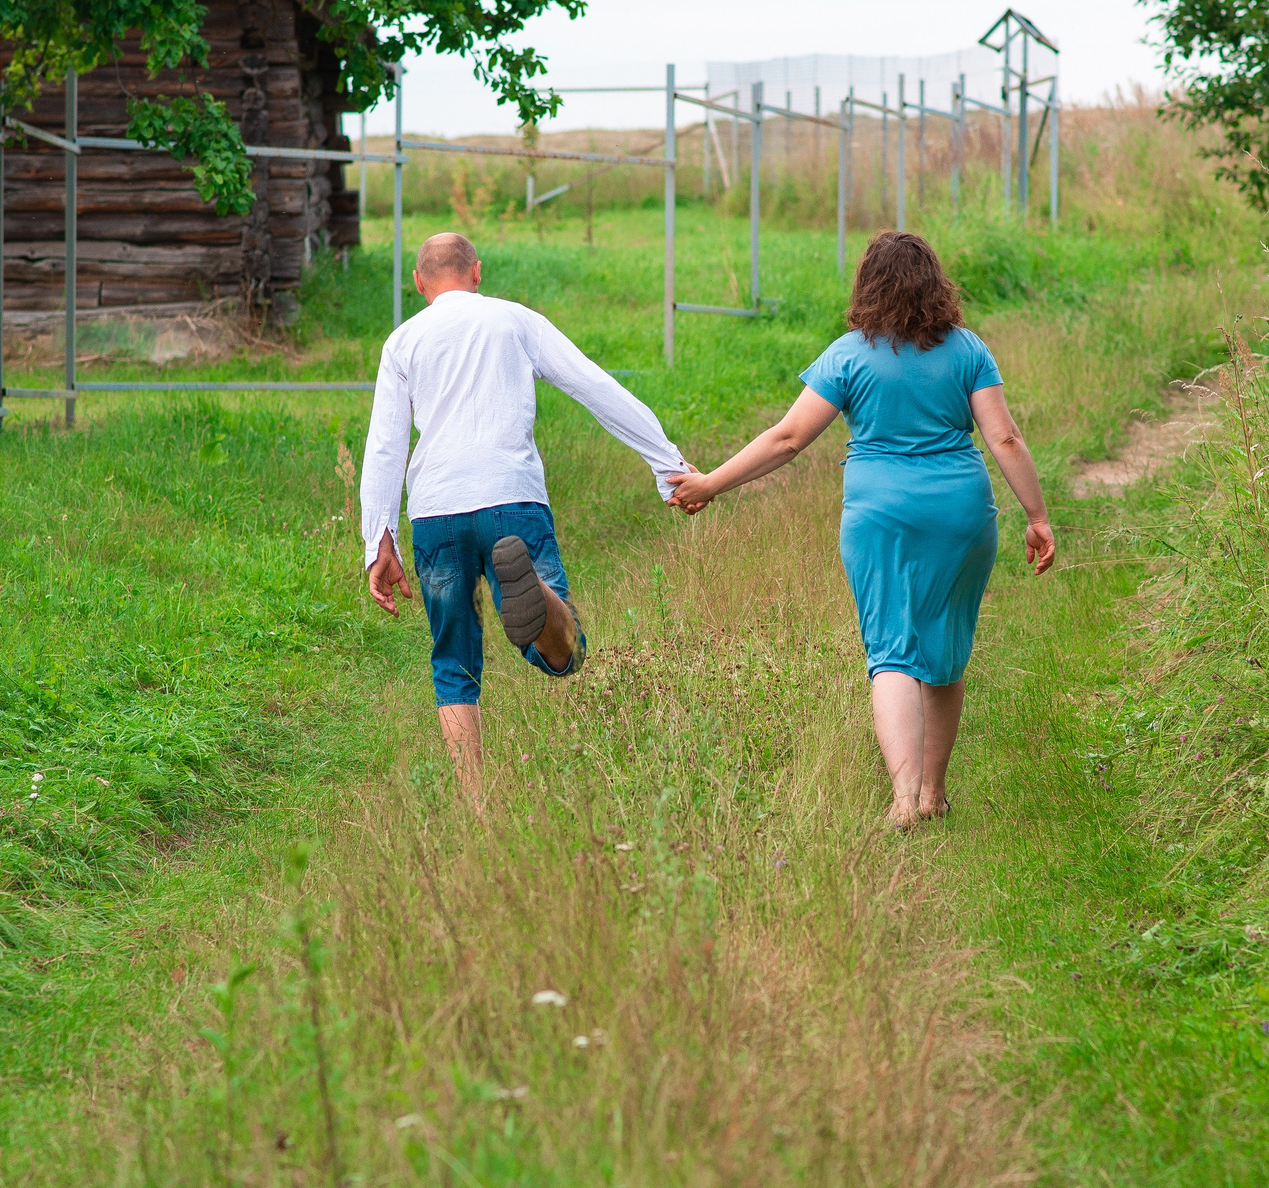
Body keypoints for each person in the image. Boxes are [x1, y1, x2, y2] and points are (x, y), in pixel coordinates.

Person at [667, 230, 1054, 829]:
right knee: (945, 653)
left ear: (867, 285)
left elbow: (789, 438)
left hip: (880, 518)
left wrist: (711, 483)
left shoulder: (848, 355)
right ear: (936, 284)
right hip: (960, 513)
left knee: (892, 653)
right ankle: (932, 793)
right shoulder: (968, 349)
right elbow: (1003, 437)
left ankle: (903, 800)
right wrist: (1037, 516)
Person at [361, 231, 690, 804]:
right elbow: (591, 384)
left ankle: (476, 806)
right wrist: (667, 462)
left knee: (453, 659)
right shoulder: (514, 321)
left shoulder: (402, 341)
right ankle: (534, 589)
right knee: (566, 655)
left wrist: (377, 539)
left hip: (437, 511)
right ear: (477, 272)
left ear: (420, 285)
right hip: (510, 496)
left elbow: (386, 444)